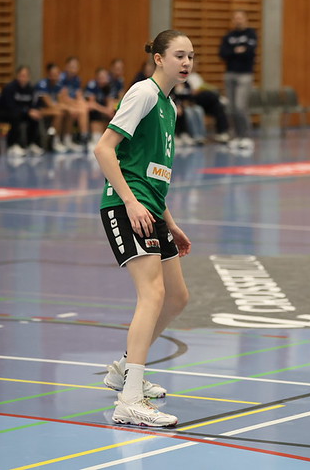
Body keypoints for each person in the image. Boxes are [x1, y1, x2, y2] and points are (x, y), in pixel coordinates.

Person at [93, 29, 194, 427]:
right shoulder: (144, 93)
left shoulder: (169, 106)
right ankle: (130, 400)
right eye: (179, 55)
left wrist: (171, 222)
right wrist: (131, 202)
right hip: (126, 206)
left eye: (191, 56)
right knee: (152, 294)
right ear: (159, 58)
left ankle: (124, 370)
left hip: (151, 207)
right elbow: (104, 148)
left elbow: (153, 172)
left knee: (177, 297)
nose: (186, 63)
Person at [219, 9, 257, 150]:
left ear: (246, 19)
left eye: (240, 17)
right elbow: (222, 53)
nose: (238, 20)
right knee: (231, 108)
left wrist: (234, 52)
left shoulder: (251, 34)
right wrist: (237, 50)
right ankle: (235, 136)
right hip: (230, 74)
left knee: (241, 107)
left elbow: (250, 52)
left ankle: (246, 136)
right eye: (235, 18)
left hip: (245, 75)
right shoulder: (229, 36)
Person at [0, 65, 45, 157]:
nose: (23, 78)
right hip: (4, 113)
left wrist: (35, 111)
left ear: (29, 77)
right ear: (17, 76)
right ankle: (12, 145)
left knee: (33, 117)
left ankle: (31, 144)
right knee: (15, 115)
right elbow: (10, 106)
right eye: (21, 75)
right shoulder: (9, 88)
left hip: (21, 112)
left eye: (25, 76)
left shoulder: (30, 89)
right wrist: (27, 111)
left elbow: (35, 104)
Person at [35, 62, 79, 153]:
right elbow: (51, 105)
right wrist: (67, 107)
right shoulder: (42, 84)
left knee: (68, 113)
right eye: (53, 74)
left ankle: (67, 139)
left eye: (57, 74)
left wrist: (69, 108)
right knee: (59, 113)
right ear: (48, 74)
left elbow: (61, 102)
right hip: (38, 110)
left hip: (52, 110)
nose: (55, 76)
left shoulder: (58, 85)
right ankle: (54, 141)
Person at [58, 56, 90, 151]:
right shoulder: (61, 78)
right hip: (61, 103)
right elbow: (62, 98)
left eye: (76, 67)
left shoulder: (77, 79)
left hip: (72, 103)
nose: (74, 69)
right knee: (74, 111)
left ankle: (84, 137)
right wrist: (76, 104)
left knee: (84, 109)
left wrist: (83, 104)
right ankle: (67, 139)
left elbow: (79, 95)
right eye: (71, 66)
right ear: (66, 66)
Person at [84, 67, 118, 150]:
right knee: (91, 111)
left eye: (105, 77)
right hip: (95, 112)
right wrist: (105, 110)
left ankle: (110, 141)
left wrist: (107, 111)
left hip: (104, 112)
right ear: (96, 77)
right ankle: (90, 138)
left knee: (114, 114)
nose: (103, 79)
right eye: (101, 77)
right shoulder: (92, 85)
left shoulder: (110, 86)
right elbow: (91, 104)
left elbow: (110, 105)